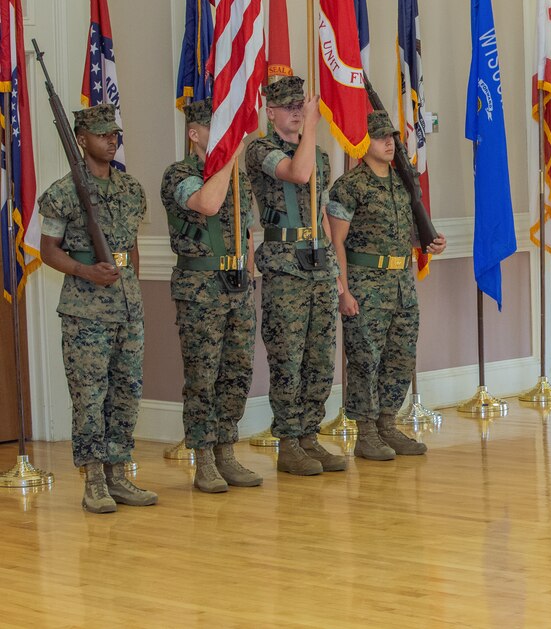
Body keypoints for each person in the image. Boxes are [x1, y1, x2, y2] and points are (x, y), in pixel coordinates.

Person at [38, 103, 157, 513]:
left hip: (127, 306)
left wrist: (132, 289)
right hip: (85, 310)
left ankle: (118, 474)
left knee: (126, 392)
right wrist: (85, 271)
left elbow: (132, 248)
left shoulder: (131, 189)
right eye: (102, 134)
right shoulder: (62, 193)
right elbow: (48, 251)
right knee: (90, 395)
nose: (111, 140)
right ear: (81, 139)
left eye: (114, 134)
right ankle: (93, 481)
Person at [328, 110, 446, 460]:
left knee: (401, 356)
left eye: (391, 137)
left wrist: (431, 241)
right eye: (380, 137)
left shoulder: (402, 183)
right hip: (365, 285)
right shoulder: (350, 186)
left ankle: (387, 424)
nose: (389, 143)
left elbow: (406, 232)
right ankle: (366, 432)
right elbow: (336, 242)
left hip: (401, 285)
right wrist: (343, 290)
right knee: (365, 359)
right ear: (364, 143)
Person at [245, 76, 346, 476]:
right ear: (270, 112)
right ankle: (288, 441)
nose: (296, 113)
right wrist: (313, 127)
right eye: (288, 107)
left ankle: (309, 436)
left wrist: (336, 271)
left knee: (320, 358)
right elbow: (298, 174)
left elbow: (322, 212)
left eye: (299, 106)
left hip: (318, 262)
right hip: (285, 266)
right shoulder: (261, 150)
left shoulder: (319, 155)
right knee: (288, 357)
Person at [161, 97, 262, 493]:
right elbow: (207, 202)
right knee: (203, 376)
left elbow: (247, 230)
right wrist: (230, 157)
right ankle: (203, 457)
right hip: (201, 289)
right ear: (194, 133)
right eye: (216, 129)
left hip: (238, 287)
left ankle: (225, 451)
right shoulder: (179, 174)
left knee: (237, 372)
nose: (225, 136)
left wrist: (249, 273)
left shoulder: (238, 177)